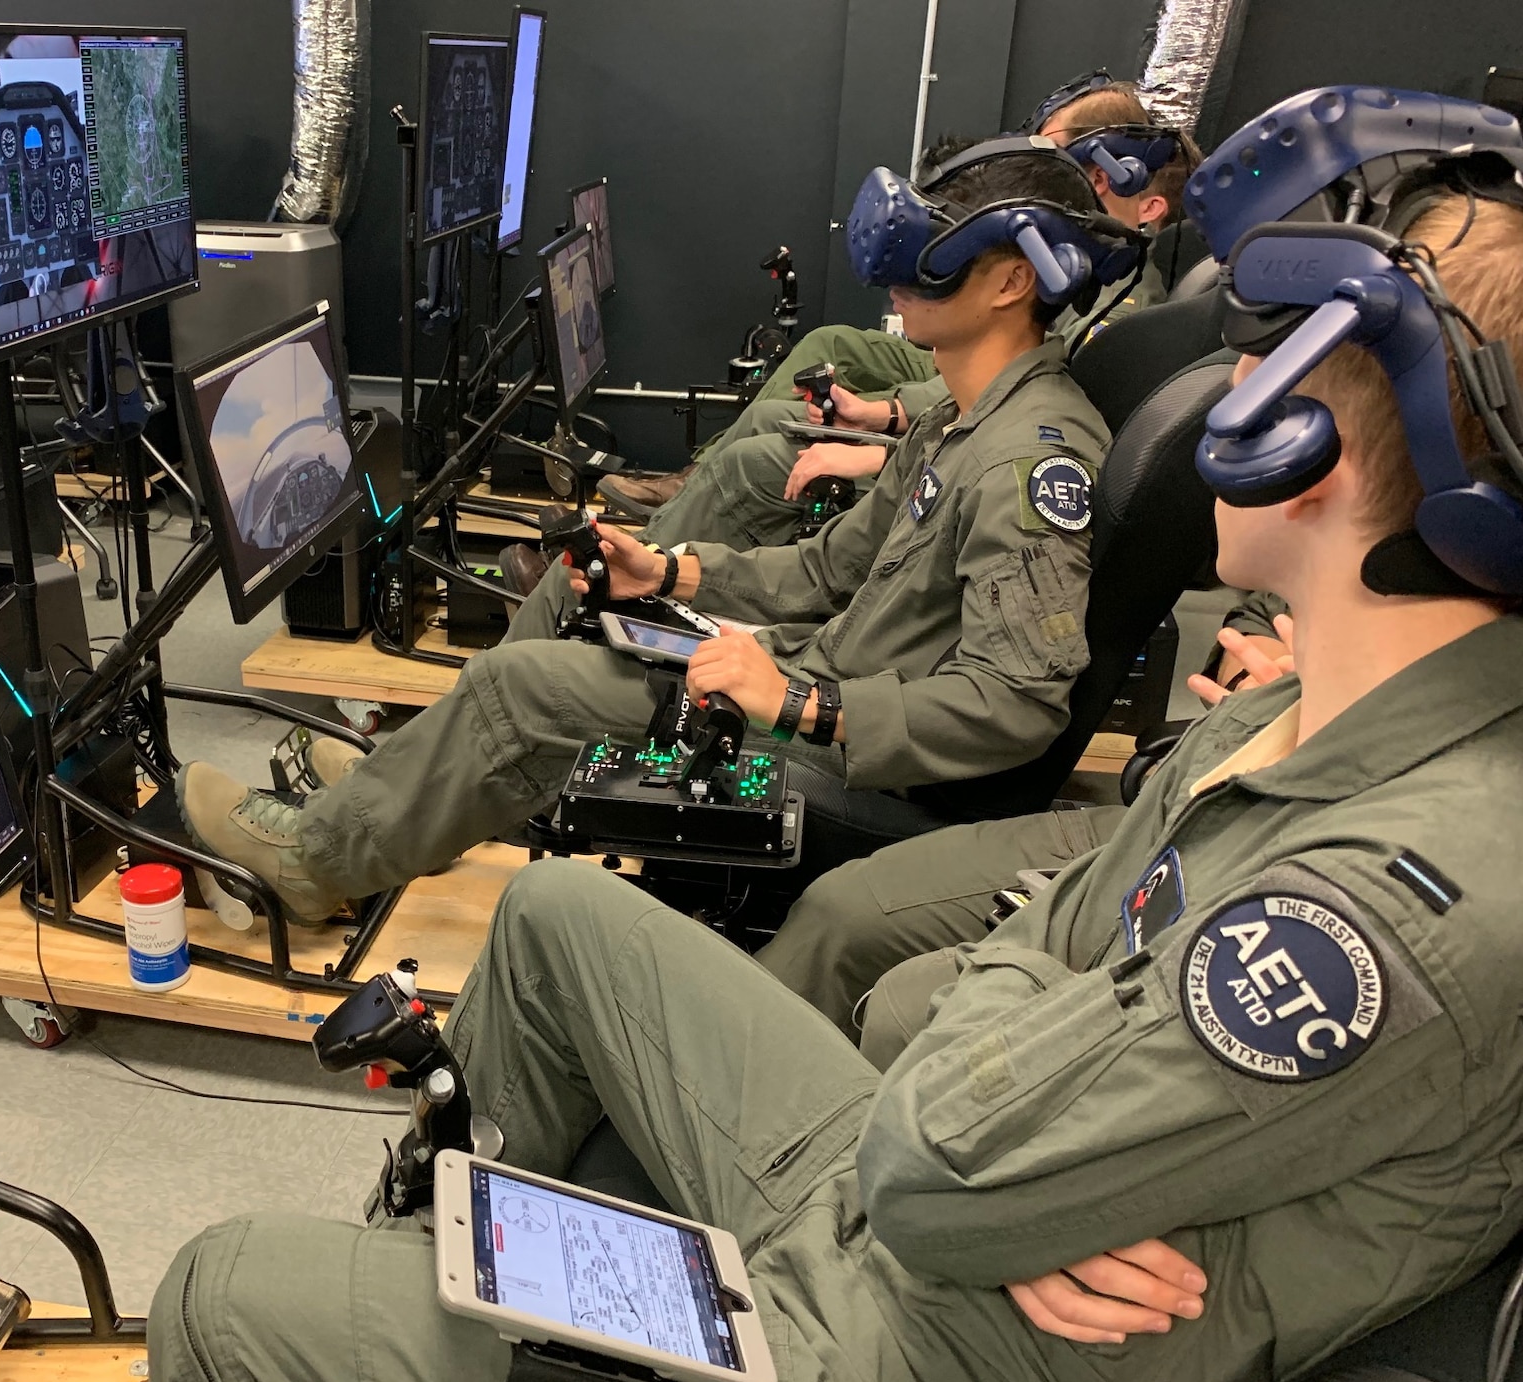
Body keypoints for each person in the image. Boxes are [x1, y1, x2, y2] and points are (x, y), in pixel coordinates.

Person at [147, 98, 1523, 1382]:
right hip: (915, 1237)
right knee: (559, 915)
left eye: (1273, 362)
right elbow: (1038, 942)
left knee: (218, 1300)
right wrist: (1021, 1098)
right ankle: (418, 1351)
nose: (1235, 393)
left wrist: (1001, 1111)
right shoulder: (1299, 718)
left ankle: (375, 1365)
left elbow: (943, 1150)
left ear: (1330, 447)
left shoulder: (1383, 910)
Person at [179, 142, 1112, 926]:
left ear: (1012, 281)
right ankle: (395, 793)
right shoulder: (963, 418)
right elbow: (832, 565)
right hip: (810, 672)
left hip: (839, 748)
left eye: (936, 255)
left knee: (516, 691)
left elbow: (1017, 706)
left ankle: (313, 865)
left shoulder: (1030, 465)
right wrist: (668, 569)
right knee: (572, 596)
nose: (905, 280)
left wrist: (804, 707)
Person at [609, 75, 1195, 552]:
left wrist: (886, 424)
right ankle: (665, 534)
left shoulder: (1100, 328)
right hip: (950, 427)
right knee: (817, 366)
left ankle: (645, 560)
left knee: (756, 460)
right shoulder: (1032, 343)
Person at [758, 591, 1291, 1052]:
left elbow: (1014, 705)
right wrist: (1261, 687)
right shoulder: (1349, 562)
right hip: (1172, 807)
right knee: (845, 912)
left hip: (1240, 849)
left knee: (905, 1003)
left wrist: (809, 706)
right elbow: (1260, 614)